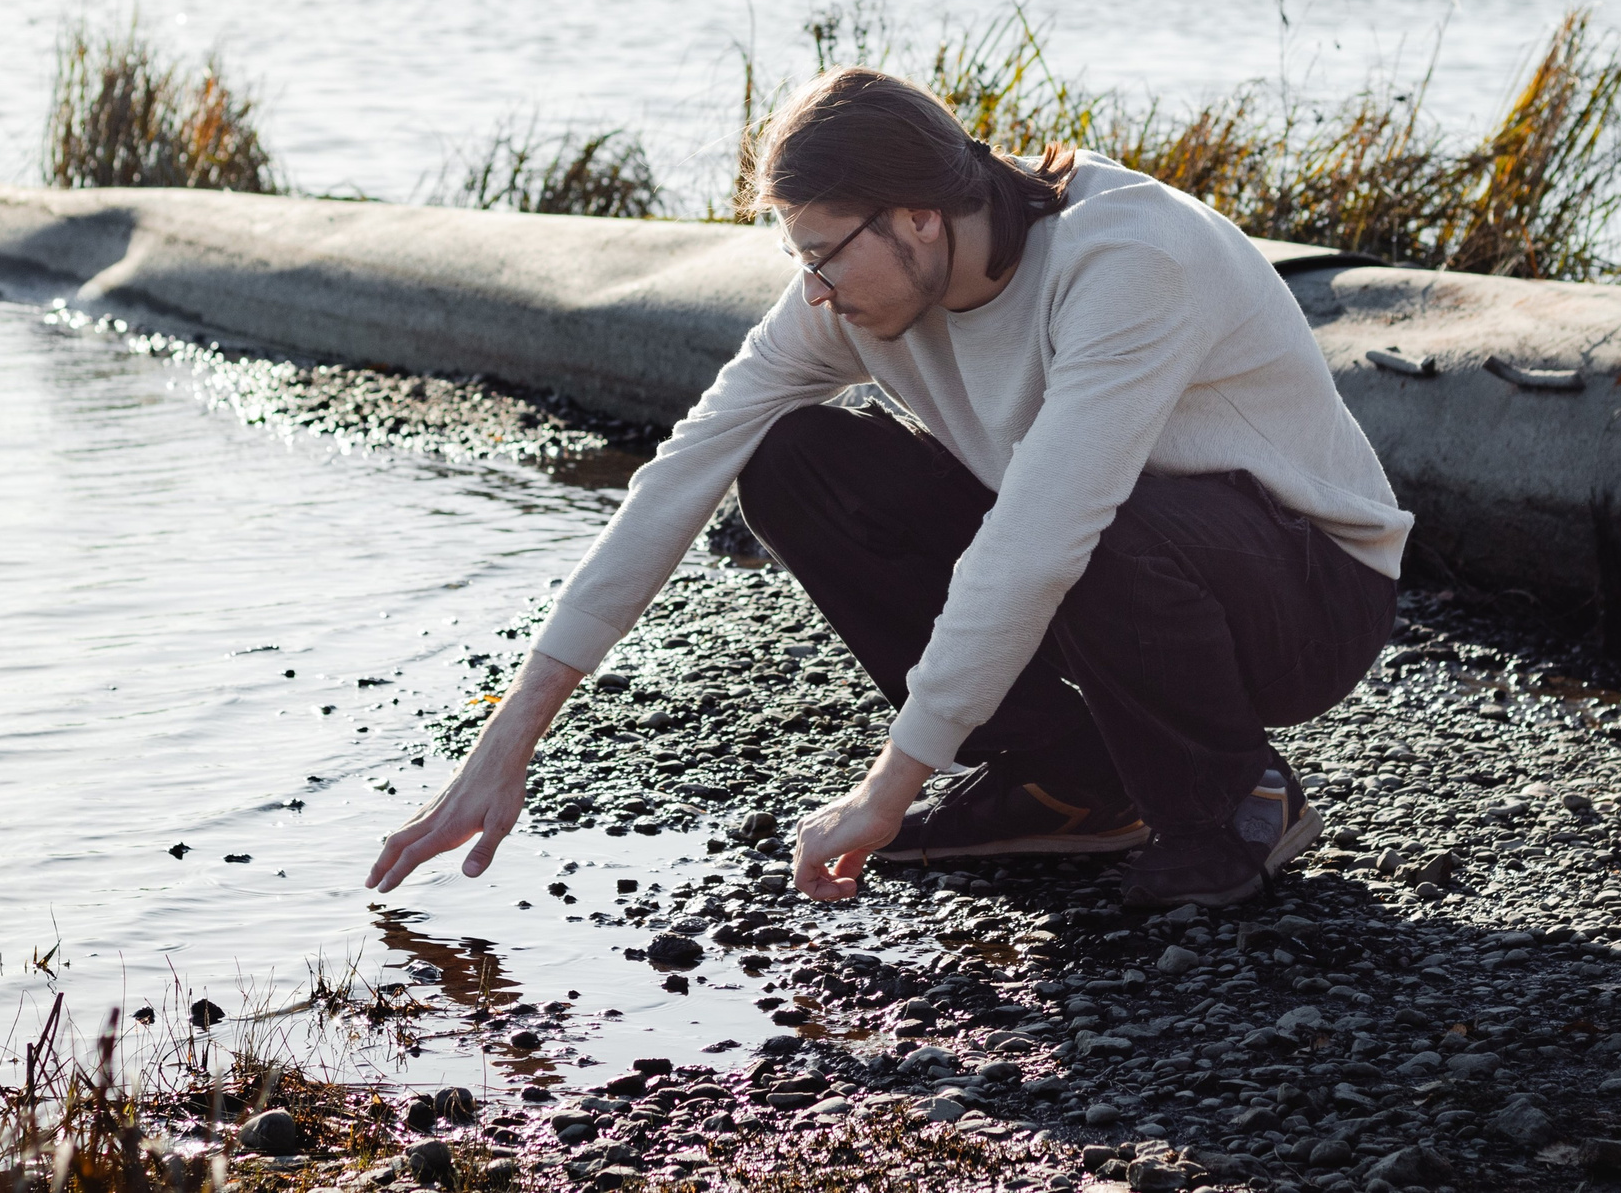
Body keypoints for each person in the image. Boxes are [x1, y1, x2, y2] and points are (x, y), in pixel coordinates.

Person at [367, 67, 1409, 909]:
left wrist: (886, 787)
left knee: (1077, 521)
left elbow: (1043, 535)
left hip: (1303, 595)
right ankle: (1068, 783)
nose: (811, 290)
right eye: (799, 259)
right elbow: (685, 468)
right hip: (1110, 560)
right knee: (787, 457)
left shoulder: (1128, 259)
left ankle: (1232, 793)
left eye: (823, 255)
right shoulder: (856, 290)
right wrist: (505, 744)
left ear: (917, 218)